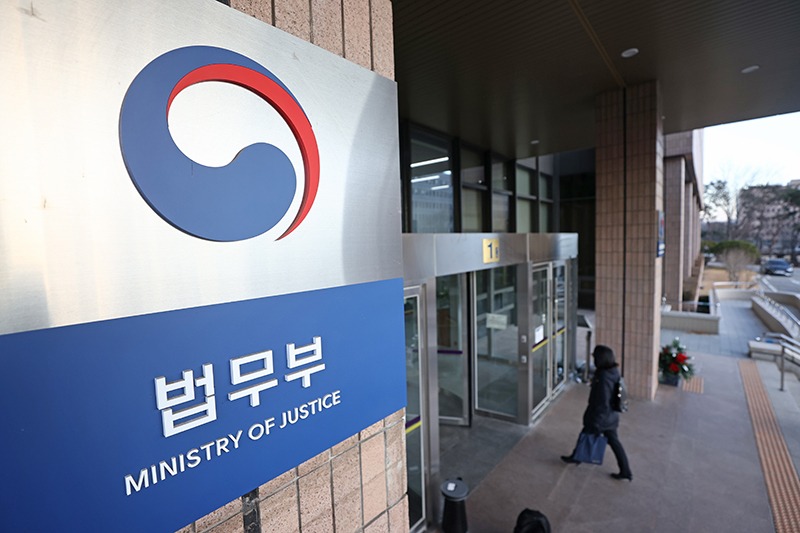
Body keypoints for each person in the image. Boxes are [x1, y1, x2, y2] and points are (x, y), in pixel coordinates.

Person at [561, 344, 633, 481]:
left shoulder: (604, 377)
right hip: (611, 416)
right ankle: (625, 471)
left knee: (587, 433)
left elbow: (602, 401)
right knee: (613, 442)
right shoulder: (613, 372)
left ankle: (577, 457)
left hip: (601, 417)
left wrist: (597, 422)